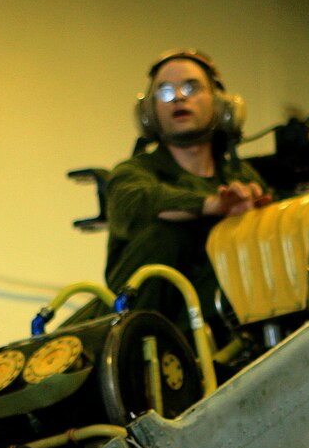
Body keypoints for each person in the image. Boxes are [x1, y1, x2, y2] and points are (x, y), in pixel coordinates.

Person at [105, 49, 272, 338]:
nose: (179, 98)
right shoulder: (133, 173)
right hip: (146, 331)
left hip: (231, 328)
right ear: (149, 112)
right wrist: (209, 205)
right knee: (168, 234)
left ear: (221, 106)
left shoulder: (242, 179)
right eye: (166, 91)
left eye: (191, 88)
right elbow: (140, 203)